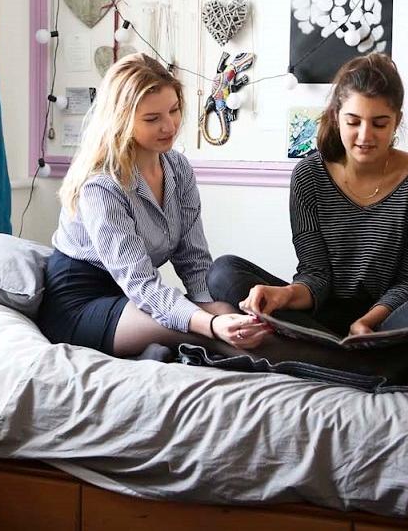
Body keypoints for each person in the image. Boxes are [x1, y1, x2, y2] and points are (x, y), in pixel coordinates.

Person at [208, 53, 408, 355]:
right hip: (318, 315)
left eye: (379, 123)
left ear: (396, 121)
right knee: (224, 272)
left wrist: (365, 324)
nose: (365, 136)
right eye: (353, 121)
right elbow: (316, 276)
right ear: (337, 116)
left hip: (388, 320)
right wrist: (282, 296)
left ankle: (326, 355)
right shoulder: (309, 176)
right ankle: (356, 360)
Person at [35, 53, 268, 358]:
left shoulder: (178, 168)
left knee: (228, 312)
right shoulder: (101, 186)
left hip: (132, 298)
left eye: (173, 110)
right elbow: (141, 285)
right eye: (152, 119)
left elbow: (194, 259)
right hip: (82, 303)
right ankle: (324, 368)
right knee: (209, 334)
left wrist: (214, 310)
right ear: (121, 119)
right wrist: (211, 325)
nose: (169, 125)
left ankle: (327, 358)